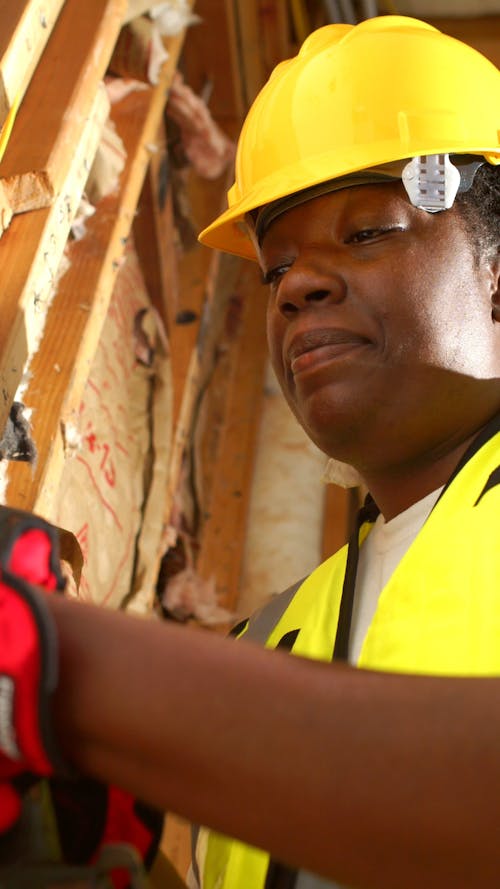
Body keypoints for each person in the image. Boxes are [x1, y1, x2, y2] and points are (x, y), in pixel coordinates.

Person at [1, 12, 500, 889]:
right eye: (275, 268)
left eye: (365, 232)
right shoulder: (270, 640)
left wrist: (59, 669)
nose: (299, 284)